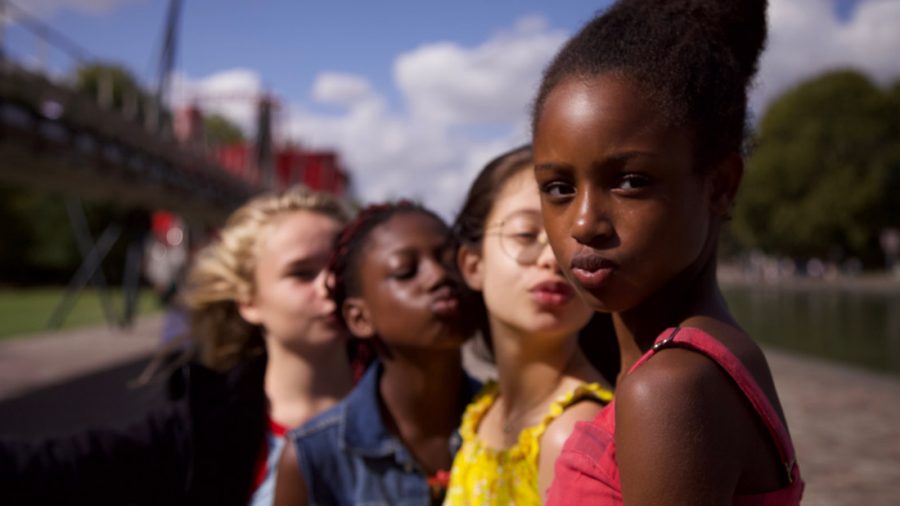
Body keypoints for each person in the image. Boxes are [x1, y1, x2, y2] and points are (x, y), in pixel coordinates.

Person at [531, 0, 804, 504]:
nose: (585, 222)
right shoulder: (700, 358)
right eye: (558, 188)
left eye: (631, 181)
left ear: (720, 185)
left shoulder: (672, 388)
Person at [0, 185, 356, 506]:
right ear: (248, 301)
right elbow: (57, 467)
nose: (330, 285)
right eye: (301, 272)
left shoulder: (405, 404)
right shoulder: (200, 432)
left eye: (340, 267)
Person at [274, 201, 480, 506]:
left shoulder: (516, 428)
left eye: (451, 261)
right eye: (406, 272)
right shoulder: (313, 458)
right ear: (360, 318)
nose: (439, 276)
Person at [445, 144, 614, 504]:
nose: (553, 259)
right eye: (526, 235)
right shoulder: (485, 407)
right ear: (473, 264)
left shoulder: (571, 433)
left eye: (571, 240)